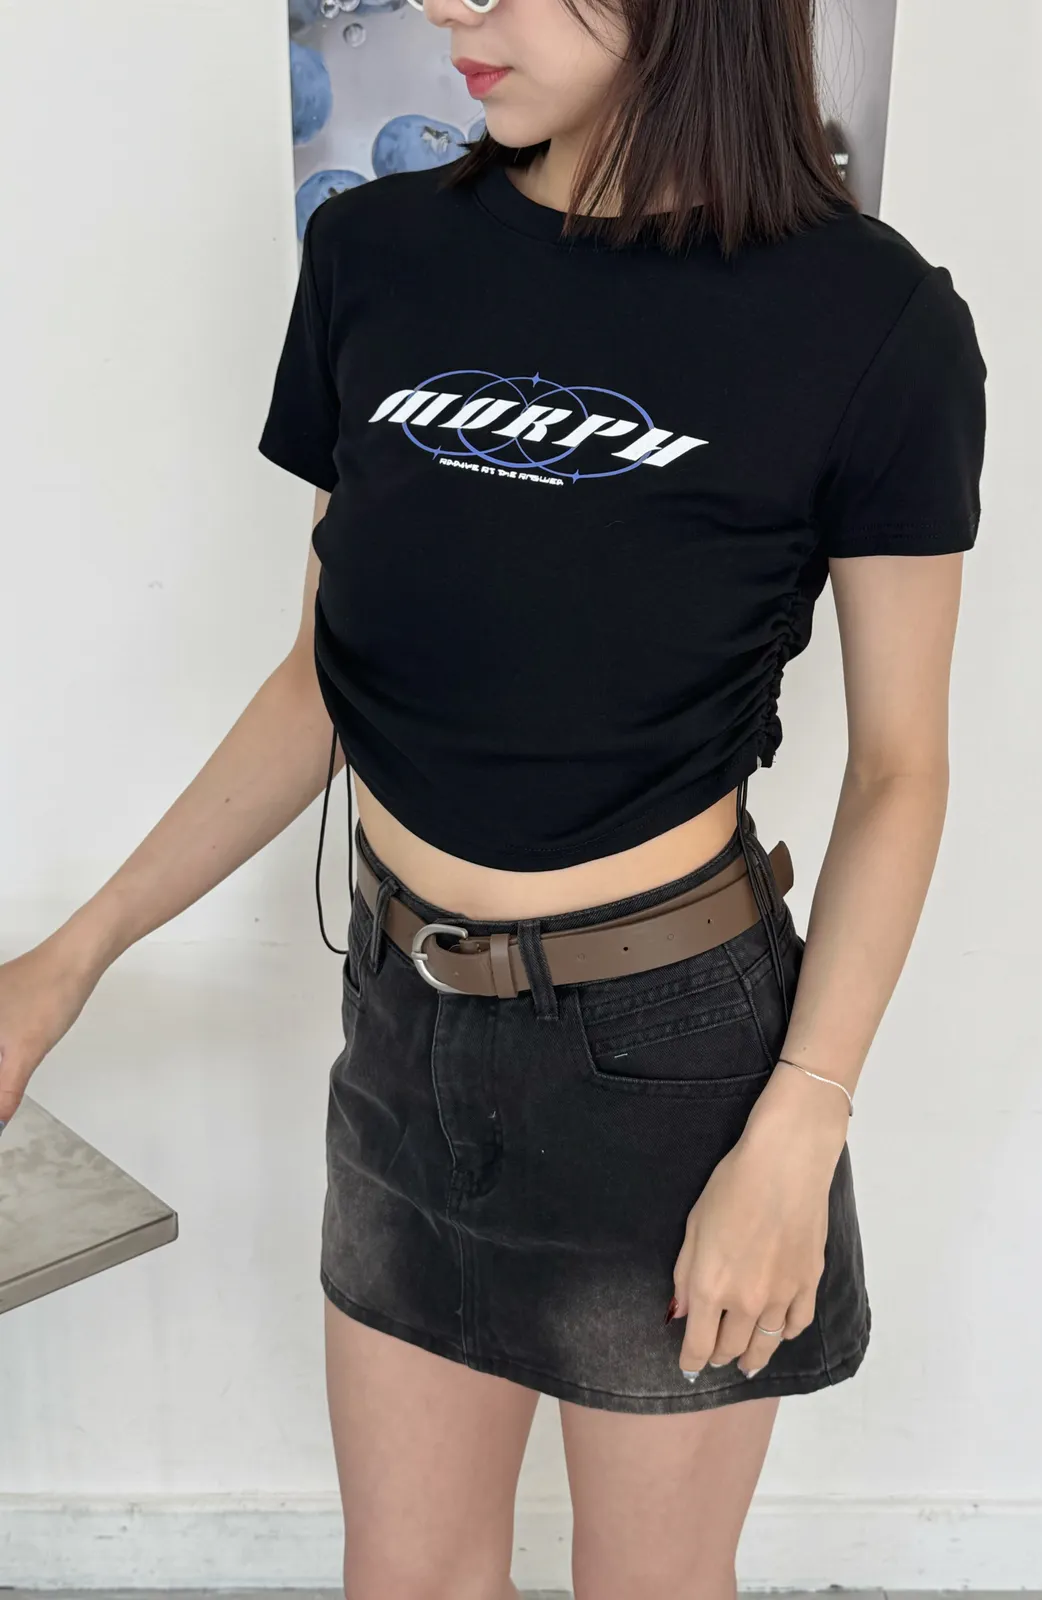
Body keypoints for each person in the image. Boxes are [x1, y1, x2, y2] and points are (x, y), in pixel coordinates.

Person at [0, 0, 986, 1593]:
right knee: (407, 1580)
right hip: (403, 1029)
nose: (452, 4)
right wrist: (71, 958)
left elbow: (901, 770)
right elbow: (326, 680)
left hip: (673, 1068)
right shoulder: (377, 254)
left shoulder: (870, 320)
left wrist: (803, 1120)